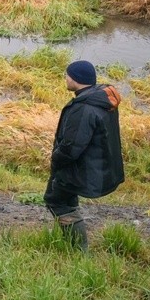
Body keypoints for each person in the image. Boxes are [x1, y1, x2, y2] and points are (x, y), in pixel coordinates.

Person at [45, 60, 124, 252]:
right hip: (92, 165)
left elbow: (72, 147)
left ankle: (79, 250)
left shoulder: (84, 108)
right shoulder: (100, 100)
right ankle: (75, 243)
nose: (66, 78)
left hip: (79, 168)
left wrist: (55, 159)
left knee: (56, 200)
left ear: (76, 79)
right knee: (66, 199)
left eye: (68, 74)